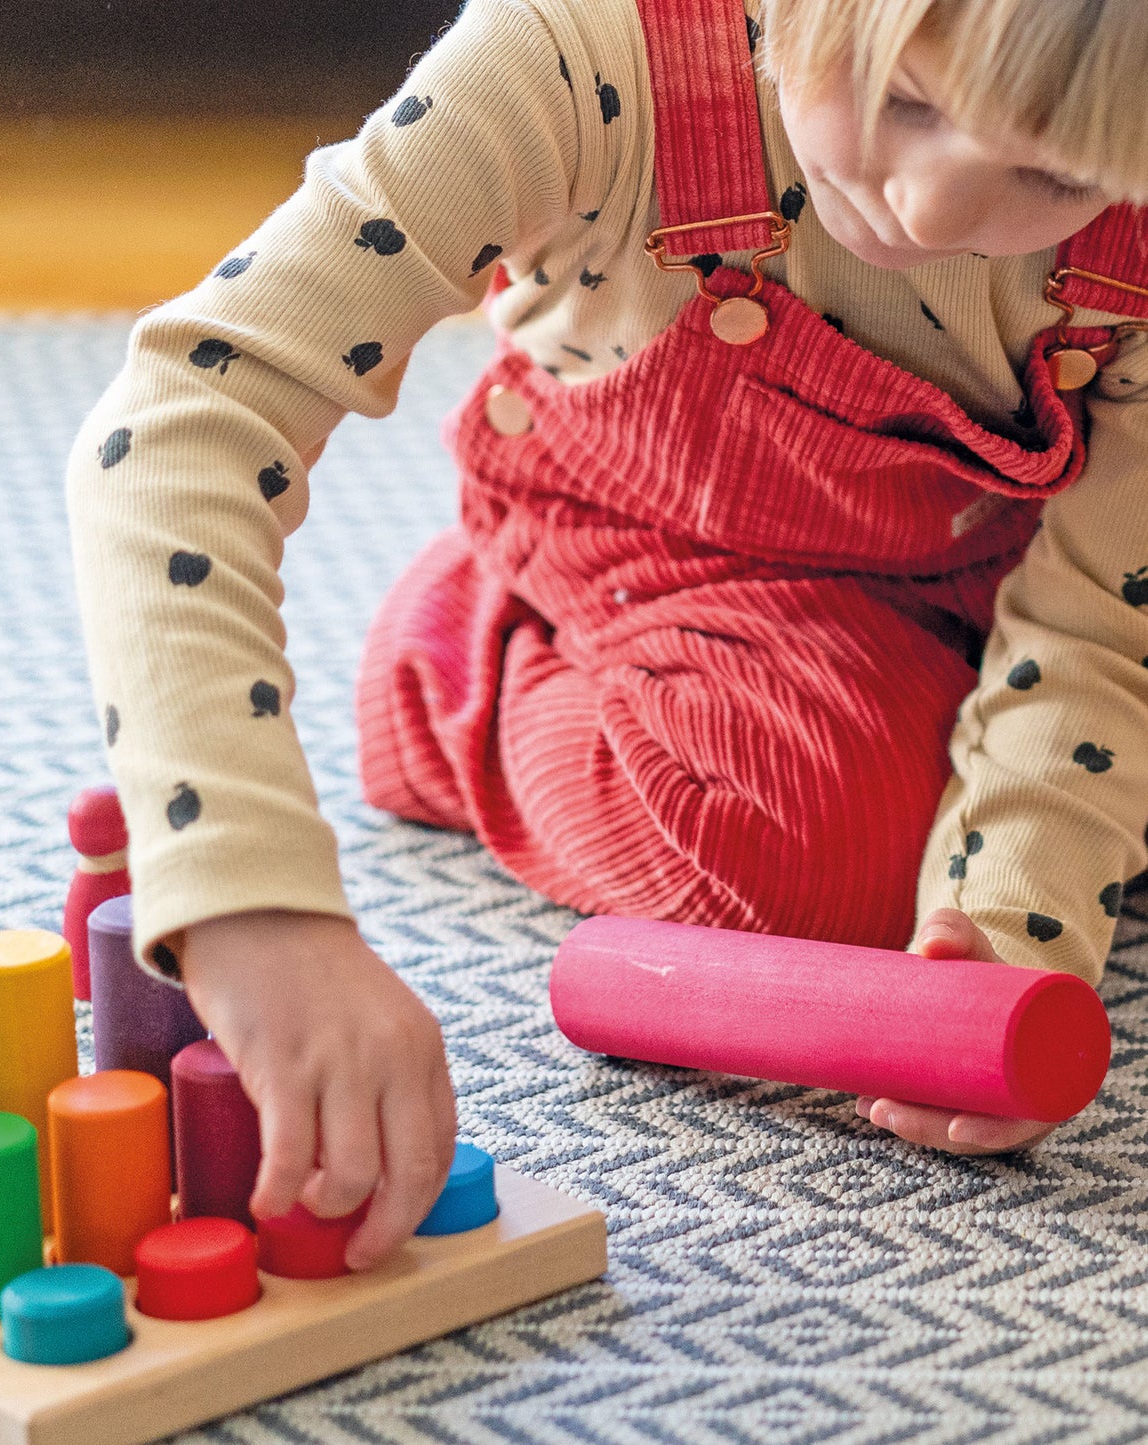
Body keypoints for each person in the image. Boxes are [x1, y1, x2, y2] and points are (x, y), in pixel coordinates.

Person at [65, 0, 1148, 1269]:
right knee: (815, 841)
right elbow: (186, 413)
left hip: (1001, 553)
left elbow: (1098, 620)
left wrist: (1005, 941)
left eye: (1054, 175)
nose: (929, 210)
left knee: (1010, 832)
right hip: (654, 549)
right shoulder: (572, 60)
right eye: (905, 99)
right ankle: (458, 668)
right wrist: (250, 900)